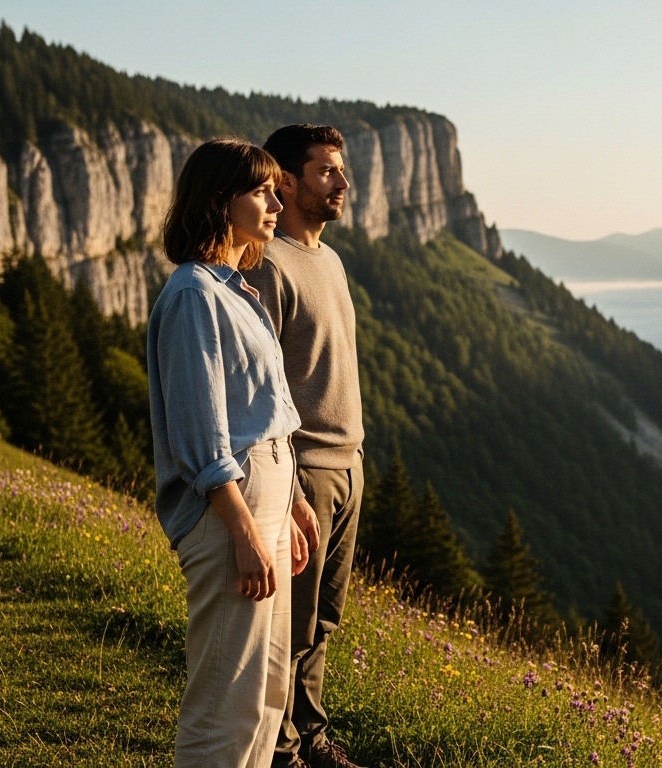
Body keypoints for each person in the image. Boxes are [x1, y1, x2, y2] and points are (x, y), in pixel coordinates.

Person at [148, 138, 312, 768]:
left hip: (261, 502)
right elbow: (202, 432)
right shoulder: (194, 294)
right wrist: (244, 529)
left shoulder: (232, 289)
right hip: (229, 515)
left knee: (267, 695)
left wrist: (292, 500)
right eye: (262, 191)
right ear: (221, 202)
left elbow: (265, 414)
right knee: (225, 702)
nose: (277, 201)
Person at [244, 124, 364, 768]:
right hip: (306, 468)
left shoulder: (331, 260)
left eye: (341, 172)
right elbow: (263, 392)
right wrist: (288, 490)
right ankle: (283, 748)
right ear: (286, 183)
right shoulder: (268, 267)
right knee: (291, 624)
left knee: (325, 619)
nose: (342, 184)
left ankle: (311, 734)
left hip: (350, 464)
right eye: (326, 172)